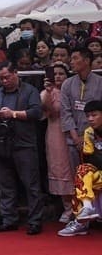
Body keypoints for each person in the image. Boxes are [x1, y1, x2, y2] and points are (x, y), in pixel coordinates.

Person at [0, 62, 44, 234]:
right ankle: (8, 219)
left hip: (24, 143)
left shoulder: (29, 91)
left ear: (16, 73)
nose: (4, 81)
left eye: (7, 77)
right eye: (0, 78)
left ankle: (34, 221)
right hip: (2, 143)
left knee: (31, 184)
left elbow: (36, 113)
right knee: (6, 184)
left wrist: (13, 114)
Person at [59, 100, 102, 236]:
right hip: (100, 172)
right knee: (81, 172)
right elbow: (90, 158)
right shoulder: (89, 132)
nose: (90, 119)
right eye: (88, 116)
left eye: (94, 115)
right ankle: (83, 217)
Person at [60, 48, 102, 184]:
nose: (71, 62)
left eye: (75, 58)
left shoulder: (100, 82)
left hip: (97, 139)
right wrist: (76, 138)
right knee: (79, 179)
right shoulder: (67, 84)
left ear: (87, 61)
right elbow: (65, 113)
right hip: (74, 141)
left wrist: (89, 137)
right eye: (71, 59)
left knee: (97, 178)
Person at [42, 63, 76, 222]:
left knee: (75, 168)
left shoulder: (74, 89)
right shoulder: (46, 93)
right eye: (54, 74)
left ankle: (83, 206)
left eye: (61, 74)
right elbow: (50, 113)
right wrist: (48, 93)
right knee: (60, 169)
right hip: (56, 134)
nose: (57, 77)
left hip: (75, 132)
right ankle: (68, 208)